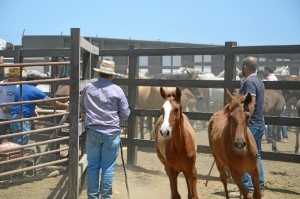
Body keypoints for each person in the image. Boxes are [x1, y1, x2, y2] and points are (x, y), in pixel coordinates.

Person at [80, 59, 130, 199]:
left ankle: (92, 196)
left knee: (93, 167)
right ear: (111, 75)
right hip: (111, 133)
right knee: (108, 168)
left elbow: (81, 104)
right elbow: (125, 113)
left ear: (99, 73)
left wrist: (85, 114)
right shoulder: (117, 90)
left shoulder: (88, 88)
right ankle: (106, 197)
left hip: (93, 132)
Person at [10, 73, 69, 145]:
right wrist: (65, 105)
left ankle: (17, 154)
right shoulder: (34, 90)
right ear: (34, 80)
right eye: (39, 79)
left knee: (18, 139)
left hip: (15, 116)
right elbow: (50, 102)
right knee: (23, 140)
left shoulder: (21, 87)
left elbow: (24, 100)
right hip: (21, 117)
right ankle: (19, 155)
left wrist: (32, 110)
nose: (40, 81)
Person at [239, 56, 265, 197]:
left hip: (251, 124)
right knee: (257, 155)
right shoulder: (259, 81)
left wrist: (245, 122)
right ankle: (259, 184)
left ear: (245, 67)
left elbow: (251, 102)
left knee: (242, 155)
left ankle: (248, 187)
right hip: (260, 122)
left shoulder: (249, 82)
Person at [0, 67, 27, 143]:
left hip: (15, 114)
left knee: (15, 136)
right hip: (2, 115)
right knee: (1, 134)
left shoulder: (20, 85)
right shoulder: (2, 84)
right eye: (17, 76)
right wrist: (2, 106)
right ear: (11, 76)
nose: (18, 78)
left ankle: (13, 152)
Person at [263, 66, 288, 143]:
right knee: (278, 119)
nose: (265, 72)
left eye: (265, 71)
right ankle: (280, 136)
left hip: (274, 102)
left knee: (278, 119)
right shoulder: (273, 78)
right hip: (275, 101)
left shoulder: (271, 79)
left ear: (268, 71)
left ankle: (283, 136)